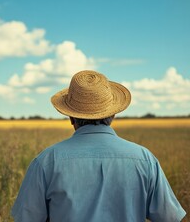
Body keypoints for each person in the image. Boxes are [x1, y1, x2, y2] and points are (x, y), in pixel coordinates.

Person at [11, 70, 186, 222]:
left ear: (70, 117)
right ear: (113, 114)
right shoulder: (145, 159)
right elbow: (169, 217)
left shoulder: (46, 161)